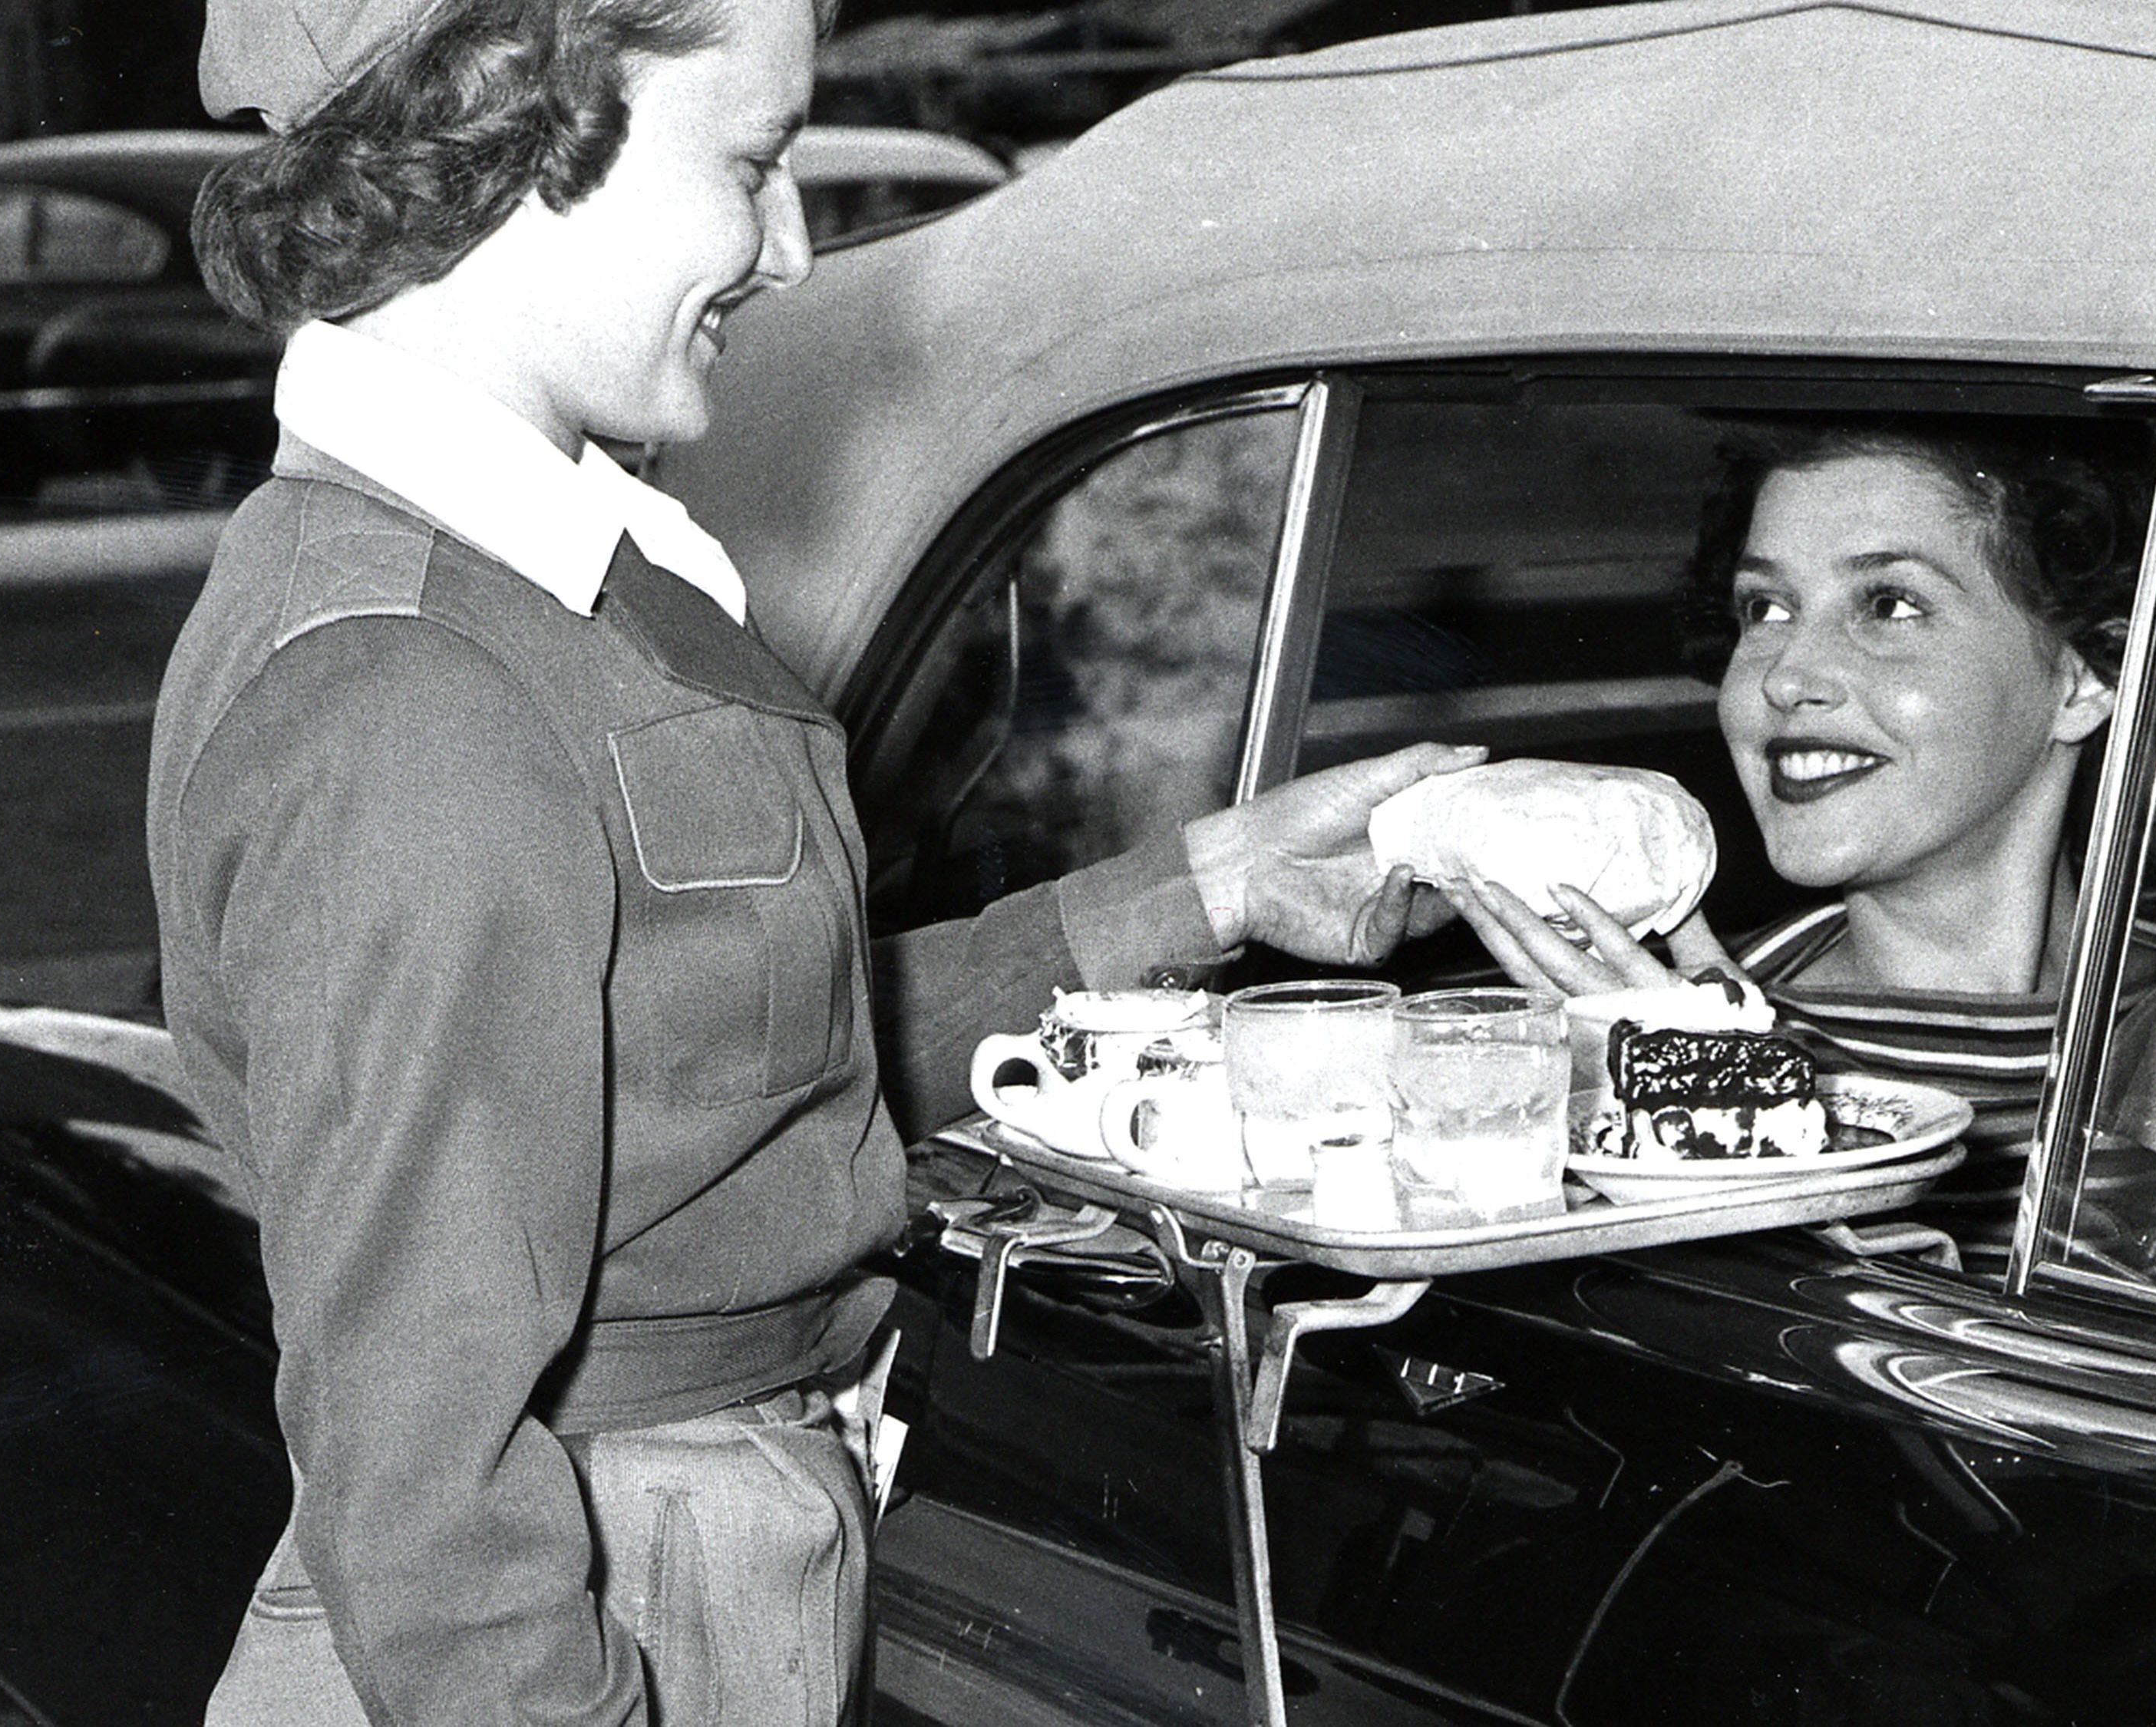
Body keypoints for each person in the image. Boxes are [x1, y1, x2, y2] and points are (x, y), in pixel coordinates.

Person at [155, 2, 1474, 1722]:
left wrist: (1203, 887)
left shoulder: (533, 584)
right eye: (751, 163)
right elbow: (419, 1470)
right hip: (571, 1602)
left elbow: (719, 1077)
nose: (788, 251)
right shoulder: (414, 682)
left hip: (664, 1542)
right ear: (513, 123)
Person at [1452, 416, 2156, 1320]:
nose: (1786, 675)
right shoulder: (1634, 1046)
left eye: (1888, 606)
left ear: (2086, 678)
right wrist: (1707, 1135)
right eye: (1763, 608)